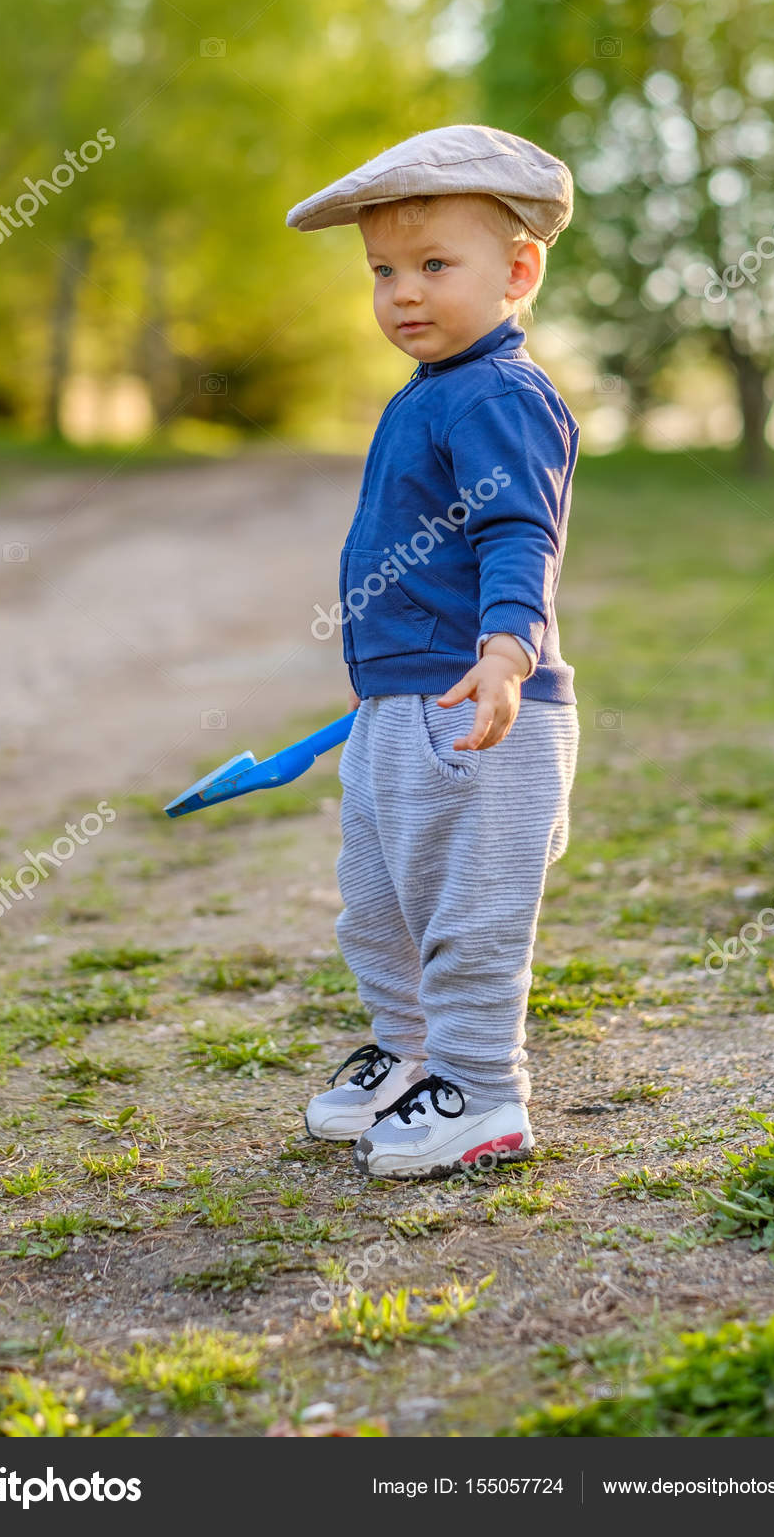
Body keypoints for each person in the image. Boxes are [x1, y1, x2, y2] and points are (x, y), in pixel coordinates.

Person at [287, 124, 581, 1179]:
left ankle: (482, 1091)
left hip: (480, 703)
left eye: (432, 265)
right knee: (378, 905)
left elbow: (518, 534)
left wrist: (506, 649)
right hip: (398, 707)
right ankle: (410, 1055)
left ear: (516, 270)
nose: (401, 293)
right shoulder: (426, 390)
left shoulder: (501, 393)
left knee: (467, 914)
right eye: (381, 271)